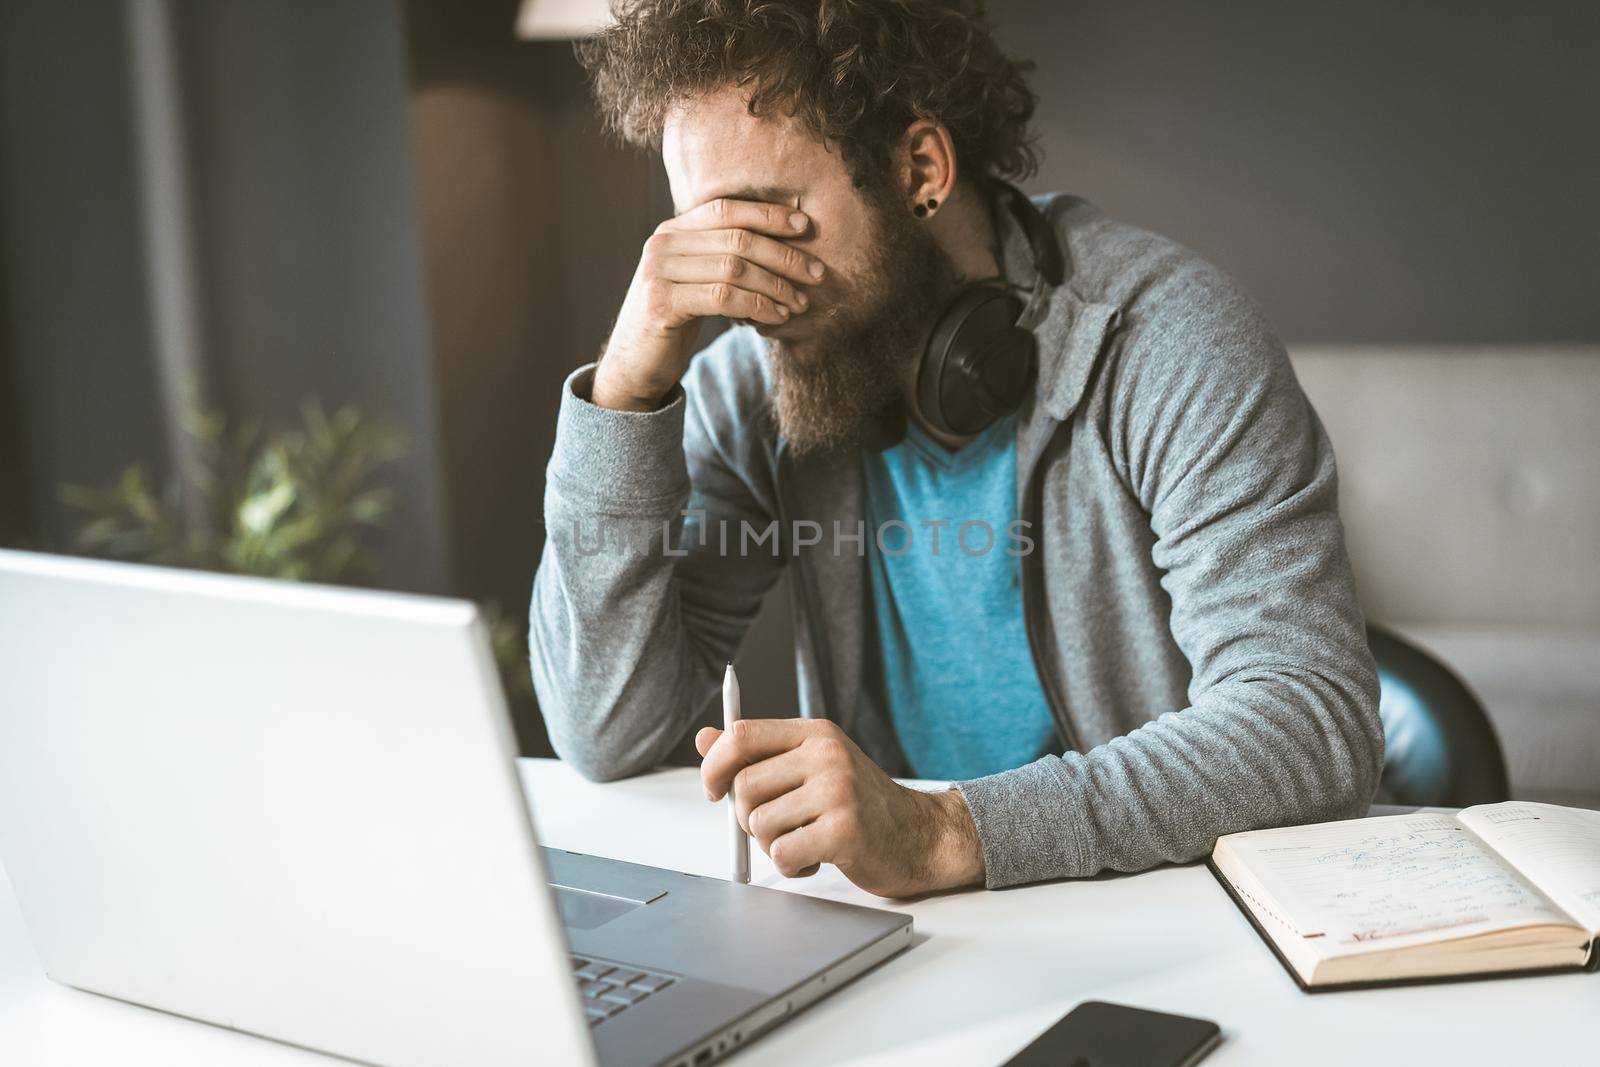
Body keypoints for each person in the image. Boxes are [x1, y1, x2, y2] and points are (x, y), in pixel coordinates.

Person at [529, 0, 1383, 899]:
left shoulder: (1166, 336)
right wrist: (623, 395)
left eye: (772, 219)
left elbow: (1310, 719)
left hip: (1168, 908)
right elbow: (602, 727)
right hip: (919, 932)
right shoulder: (755, 389)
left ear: (920, 169)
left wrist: (944, 832)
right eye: (708, 234)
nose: (744, 288)